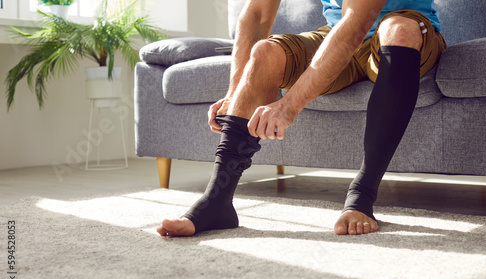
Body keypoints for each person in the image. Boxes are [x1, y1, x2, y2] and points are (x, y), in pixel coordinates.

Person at [157, 0, 447, 237]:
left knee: (398, 29)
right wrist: (234, 92)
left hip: (403, 30)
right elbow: (257, 14)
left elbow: (356, 25)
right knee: (265, 52)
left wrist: (289, 105)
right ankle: (217, 201)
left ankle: (361, 196)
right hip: (336, 30)